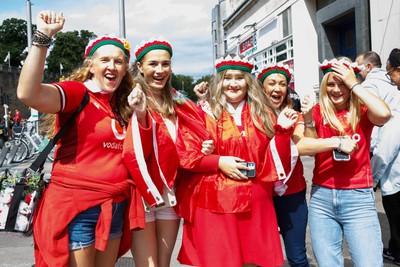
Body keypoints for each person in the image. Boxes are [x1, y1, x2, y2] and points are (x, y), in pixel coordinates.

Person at [17, 11, 139, 266]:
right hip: (78, 208)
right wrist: (43, 38)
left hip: (115, 205)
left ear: (125, 68)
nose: (112, 66)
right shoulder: (77, 92)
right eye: (105, 59)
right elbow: (28, 93)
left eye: (119, 61)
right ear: (90, 65)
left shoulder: (124, 104)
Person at [176, 55, 299, 267]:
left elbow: (276, 161)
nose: (233, 83)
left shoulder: (264, 112)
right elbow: (186, 154)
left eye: (239, 78)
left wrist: (283, 131)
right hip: (216, 200)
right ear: (219, 81)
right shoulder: (202, 113)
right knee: (219, 260)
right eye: (227, 78)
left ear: (248, 82)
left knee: (253, 261)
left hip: (256, 199)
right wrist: (217, 161)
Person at [122, 39, 213, 267]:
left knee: (163, 264)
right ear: (140, 67)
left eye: (166, 64)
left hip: (171, 191)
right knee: (148, 265)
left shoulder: (177, 100)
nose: (160, 70)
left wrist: (204, 146)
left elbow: (195, 131)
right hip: (142, 192)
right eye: (153, 64)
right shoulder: (129, 98)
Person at [301, 58, 391, 267]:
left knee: (369, 263)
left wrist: (355, 84)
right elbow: (305, 147)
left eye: (342, 83)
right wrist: (332, 139)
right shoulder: (316, 111)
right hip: (322, 198)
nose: (336, 89)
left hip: (358, 197)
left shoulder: (363, 111)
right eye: (331, 84)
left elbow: (385, 114)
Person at [257, 63, 309, 267]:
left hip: (292, 193)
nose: (277, 88)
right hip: (261, 193)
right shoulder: (251, 117)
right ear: (262, 88)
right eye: (272, 83)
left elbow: (302, 143)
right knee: (261, 255)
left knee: (297, 255)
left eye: (282, 84)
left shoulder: (295, 116)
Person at [369, 48, 400, 266]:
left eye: (390, 74)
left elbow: (387, 146)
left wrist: (371, 178)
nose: (390, 80)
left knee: (397, 222)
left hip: (397, 180)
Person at [355, 51, 400, 155]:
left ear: (368, 67)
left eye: (358, 69)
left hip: (379, 148)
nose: (357, 73)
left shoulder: (368, 86)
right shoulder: (392, 83)